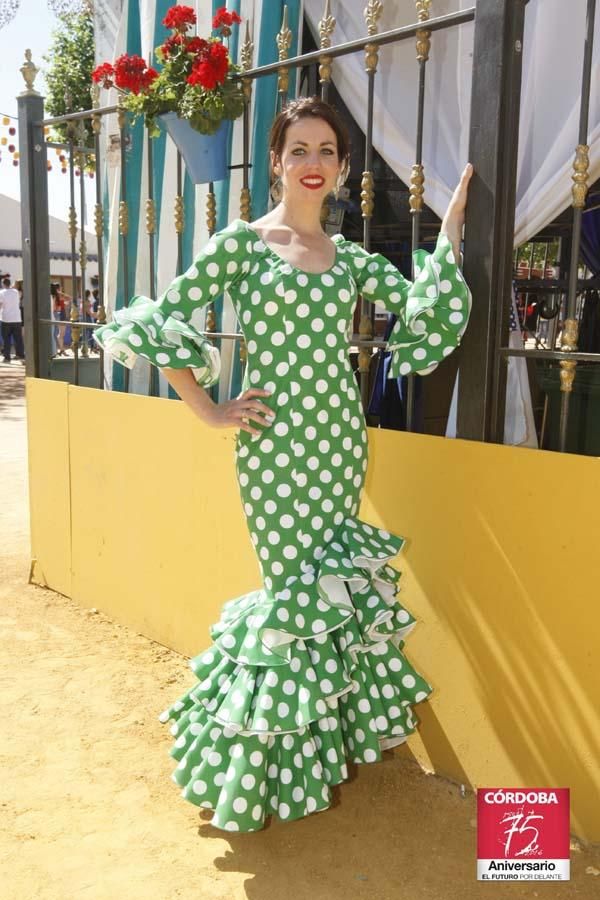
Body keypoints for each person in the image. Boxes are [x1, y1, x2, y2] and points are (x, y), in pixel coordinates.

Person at [95, 97, 473, 833]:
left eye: (326, 150)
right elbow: (163, 315)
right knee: (290, 599)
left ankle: (306, 756)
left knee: (325, 602)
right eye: (298, 148)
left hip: (337, 446)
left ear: (341, 167)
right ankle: (250, 765)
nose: (312, 163)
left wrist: (452, 230)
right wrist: (208, 409)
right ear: (277, 161)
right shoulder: (243, 245)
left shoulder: (351, 259)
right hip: (274, 456)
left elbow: (423, 309)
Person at [0, 275, 25, 365]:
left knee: (6, 339)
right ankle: (21, 356)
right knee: (18, 339)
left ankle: (7, 357)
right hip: (17, 319)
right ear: (10, 284)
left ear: (3, 284)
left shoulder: (2, 292)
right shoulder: (17, 292)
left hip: (6, 319)